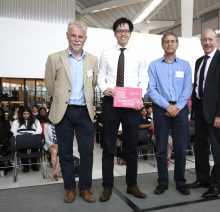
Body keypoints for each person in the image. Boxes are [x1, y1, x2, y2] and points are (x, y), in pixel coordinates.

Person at [44, 20, 99, 203]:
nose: (77, 39)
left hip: (84, 112)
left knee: (87, 152)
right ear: (67, 36)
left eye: (80, 36)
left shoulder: (93, 60)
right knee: (65, 153)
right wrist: (61, 100)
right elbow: (50, 86)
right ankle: (69, 189)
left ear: (85, 38)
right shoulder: (54, 58)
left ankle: (85, 188)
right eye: (73, 35)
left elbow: (92, 85)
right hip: (63, 112)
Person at [97, 17, 148, 202]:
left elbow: (144, 78)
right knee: (109, 146)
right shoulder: (106, 53)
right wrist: (104, 88)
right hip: (111, 102)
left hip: (131, 103)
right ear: (115, 33)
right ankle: (107, 186)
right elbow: (100, 78)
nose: (123, 33)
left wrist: (140, 95)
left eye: (126, 30)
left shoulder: (139, 54)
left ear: (130, 32)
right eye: (119, 31)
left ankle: (132, 184)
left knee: (131, 146)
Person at [188, 28, 220, 199]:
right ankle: (202, 179)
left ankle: (216, 185)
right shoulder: (199, 61)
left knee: (218, 150)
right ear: (201, 41)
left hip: (216, 114)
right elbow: (197, 87)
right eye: (204, 39)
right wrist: (193, 111)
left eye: (210, 39)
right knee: (200, 148)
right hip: (200, 110)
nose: (207, 42)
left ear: (216, 41)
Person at [147, 32, 192, 195]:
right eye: (166, 42)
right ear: (162, 45)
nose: (170, 44)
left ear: (177, 44)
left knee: (180, 148)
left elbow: (188, 89)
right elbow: (151, 89)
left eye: (173, 41)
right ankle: (163, 182)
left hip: (180, 111)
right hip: (161, 110)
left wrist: (177, 107)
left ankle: (181, 182)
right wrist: (167, 106)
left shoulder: (185, 65)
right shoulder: (154, 65)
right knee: (160, 148)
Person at [10, 107, 42, 173]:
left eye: (27, 114)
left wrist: (31, 137)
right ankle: (25, 166)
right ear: (21, 114)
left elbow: (39, 130)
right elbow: (13, 132)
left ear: (30, 114)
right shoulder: (16, 121)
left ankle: (34, 165)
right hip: (21, 140)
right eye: (24, 114)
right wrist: (21, 138)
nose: (26, 115)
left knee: (35, 147)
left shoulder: (35, 121)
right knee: (22, 148)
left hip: (32, 139)